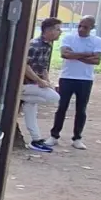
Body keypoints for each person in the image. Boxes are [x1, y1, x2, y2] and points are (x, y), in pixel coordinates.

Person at [46, 15, 101, 150]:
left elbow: (97, 60)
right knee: (62, 107)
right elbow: (65, 54)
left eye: (85, 27)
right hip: (67, 77)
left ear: (92, 28)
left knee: (81, 109)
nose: (81, 29)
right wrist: (87, 54)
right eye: (80, 26)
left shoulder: (97, 41)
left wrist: (75, 55)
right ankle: (54, 136)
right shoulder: (69, 37)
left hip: (85, 79)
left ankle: (77, 137)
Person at [20, 17, 63, 153]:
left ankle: (36, 139)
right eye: (57, 29)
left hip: (33, 86)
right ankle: (21, 95)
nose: (60, 32)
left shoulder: (46, 46)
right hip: (26, 85)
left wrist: (47, 81)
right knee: (54, 97)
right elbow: (25, 66)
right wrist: (40, 81)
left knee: (31, 110)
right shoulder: (34, 45)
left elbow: (43, 66)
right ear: (48, 30)